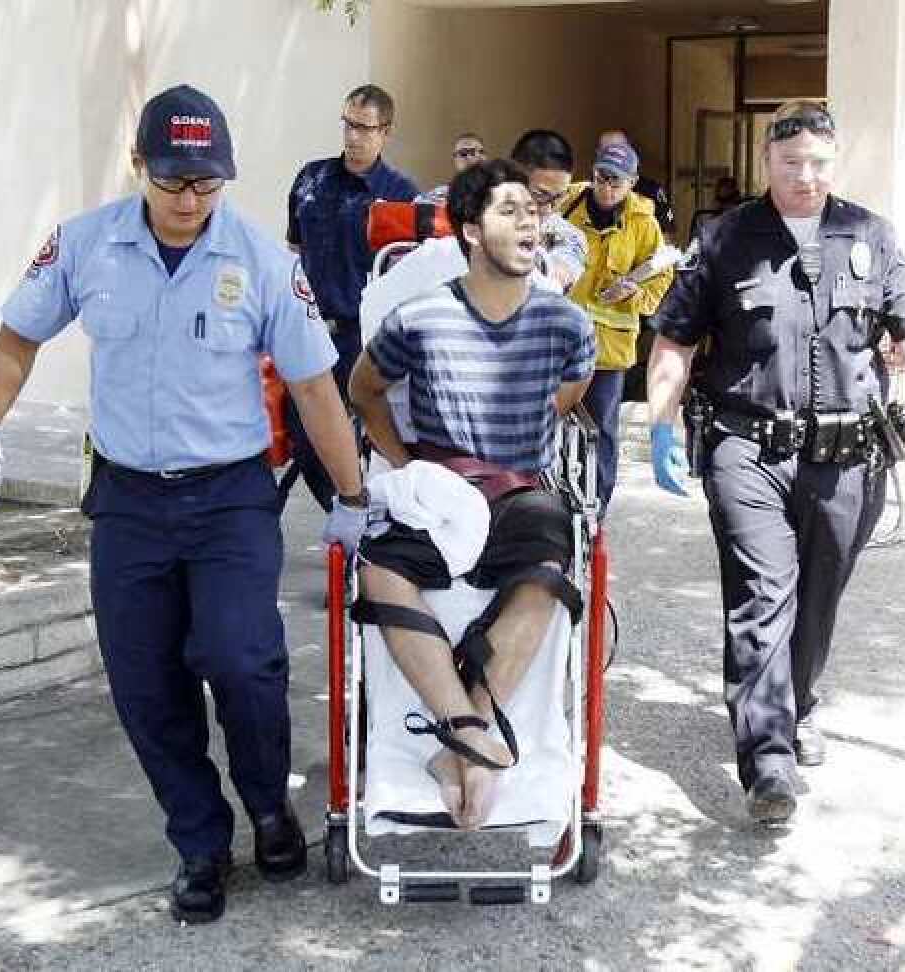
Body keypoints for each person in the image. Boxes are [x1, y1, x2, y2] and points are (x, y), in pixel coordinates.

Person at [0, 85, 370, 922]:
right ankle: (200, 842)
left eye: (207, 184)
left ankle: (265, 803)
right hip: (129, 503)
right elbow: (17, 338)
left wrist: (355, 495)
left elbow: (315, 387)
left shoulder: (258, 258)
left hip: (229, 500)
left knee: (241, 659)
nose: (190, 201)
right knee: (144, 683)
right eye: (175, 180)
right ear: (139, 165)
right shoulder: (83, 245)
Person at [646, 100, 905, 826]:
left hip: (849, 459)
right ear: (767, 163)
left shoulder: (871, 236)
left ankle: (800, 700)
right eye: (790, 165)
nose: (806, 178)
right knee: (762, 598)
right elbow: (674, 339)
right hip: (746, 449)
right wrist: (662, 417)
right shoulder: (726, 239)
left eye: (819, 164)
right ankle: (767, 767)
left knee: (816, 602)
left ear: (834, 161)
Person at [348, 159, 596, 830]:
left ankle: (468, 742)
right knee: (378, 569)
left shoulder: (566, 323)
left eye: (535, 212)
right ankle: (467, 732)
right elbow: (362, 389)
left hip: (520, 490)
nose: (530, 224)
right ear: (470, 231)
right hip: (437, 486)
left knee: (547, 572)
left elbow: (567, 398)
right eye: (511, 212)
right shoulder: (419, 316)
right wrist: (401, 460)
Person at [284, 84, 419, 510]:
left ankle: (368, 525)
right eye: (348, 124)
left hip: (363, 337)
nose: (353, 136)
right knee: (304, 436)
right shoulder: (312, 178)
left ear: (386, 132)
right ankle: (343, 513)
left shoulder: (400, 194)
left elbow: (409, 275)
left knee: (369, 439)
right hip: (307, 328)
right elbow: (293, 250)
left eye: (364, 127)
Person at [564, 140, 673, 515]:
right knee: (552, 422)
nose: (607, 188)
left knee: (603, 430)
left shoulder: (644, 224)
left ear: (633, 182)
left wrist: (634, 294)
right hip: (562, 344)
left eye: (617, 181)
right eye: (601, 178)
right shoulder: (569, 205)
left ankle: (598, 507)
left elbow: (661, 276)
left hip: (610, 350)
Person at [509, 129, 589, 294]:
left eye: (559, 197)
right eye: (539, 195)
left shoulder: (569, 236)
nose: (548, 208)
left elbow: (559, 272)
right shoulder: (473, 216)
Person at [596, 128, 676, 237]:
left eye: (619, 149)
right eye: (606, 150)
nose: (613, 157)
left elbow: (667, 236)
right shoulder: (582, 192)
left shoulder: (651, 191)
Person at [418, 131, 487, 204]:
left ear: (485, 157)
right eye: (463, 153)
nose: (470, 157)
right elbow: (415, 207)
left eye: (479, 152)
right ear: (455, 159)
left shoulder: (496, 192)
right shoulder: (440, 194)